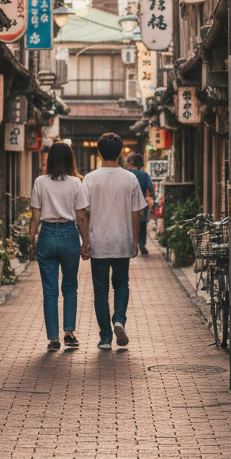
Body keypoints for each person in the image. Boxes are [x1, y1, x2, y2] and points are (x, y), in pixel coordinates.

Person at [82, 132, 148, 349]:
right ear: (120, 153)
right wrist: (135, 240)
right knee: (121, 284)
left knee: (100, 291)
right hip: (122, 240)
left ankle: (105, 338)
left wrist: (85, 240)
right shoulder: (130, 178)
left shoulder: (91, 178)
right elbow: (136, 212)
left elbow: (83, 213)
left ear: (99, 152)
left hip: (99, 241)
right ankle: (119, 318)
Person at [28, 142, 90, 352]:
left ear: (50, 159)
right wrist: (86, 243)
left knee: (49, 290)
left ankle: (53, 338)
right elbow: (81, 217)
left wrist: (31, 239)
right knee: (70, 287)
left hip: (46, 235)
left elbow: (35, 215)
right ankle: (69, 334)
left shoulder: (40, 182)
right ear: (70, 159)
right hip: (69, 234)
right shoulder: (76, 183)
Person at [126, 153, 155, 254]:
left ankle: (129, 244)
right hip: (141, 203)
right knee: (141, 224)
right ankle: (142, 245)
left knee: (127, 224)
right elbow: (151, 189)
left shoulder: (126, 174)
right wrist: (153, 200)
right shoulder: (144, 174)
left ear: (130, 162)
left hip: (127, 203)